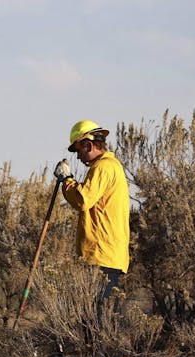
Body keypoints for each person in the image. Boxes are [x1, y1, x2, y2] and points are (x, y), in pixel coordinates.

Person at [54, 120, 130, 342]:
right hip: (105, 255)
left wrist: (67, 180)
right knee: (97, 321)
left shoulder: (103, 167)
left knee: (98, 323)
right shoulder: (109, 167)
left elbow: (82, 200)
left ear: (88, 144)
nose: (78, 156)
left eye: (78, 149)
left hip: (101, 256)